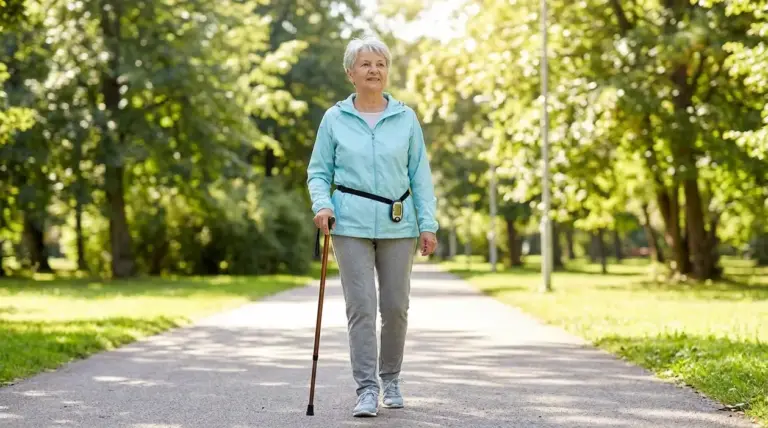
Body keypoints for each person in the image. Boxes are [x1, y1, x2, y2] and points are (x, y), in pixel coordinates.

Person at [306, 35, 439, 417]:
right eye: (365, 64)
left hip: (400, 223)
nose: (373, 70)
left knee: (396, 306)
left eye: (380, 64)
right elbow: (319, 172)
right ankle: (366, 389)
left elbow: (421, 176)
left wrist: (427, 225)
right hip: (349, 223)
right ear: (350, 73)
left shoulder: (405, 117)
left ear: (387, 71)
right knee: (361, 307)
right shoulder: (334, 118)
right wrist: (323, 204)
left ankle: (391, 379)